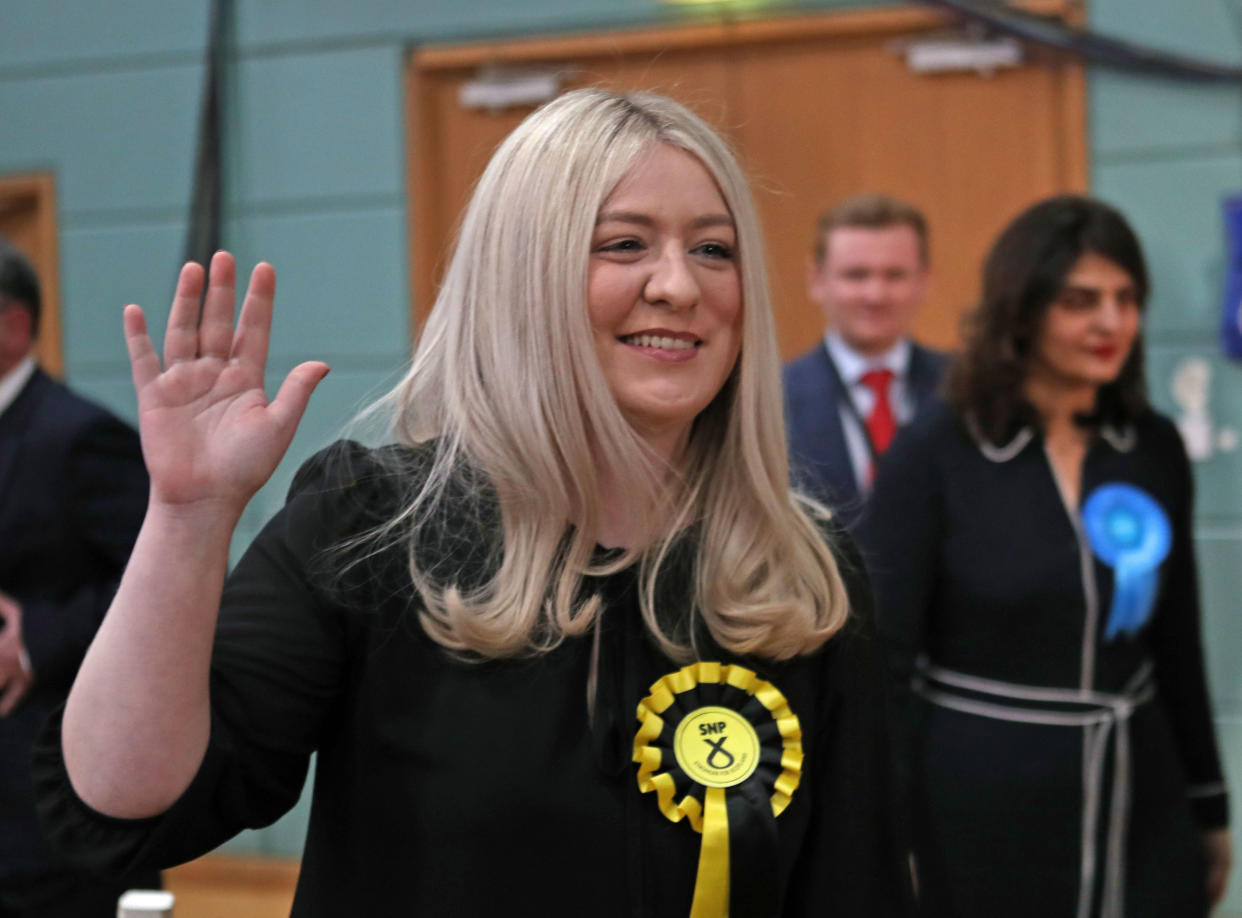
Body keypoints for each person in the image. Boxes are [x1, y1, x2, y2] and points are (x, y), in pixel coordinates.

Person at [33, 89, 911, 916]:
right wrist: (187, 516)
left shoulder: (798, 572)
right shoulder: (375, 523)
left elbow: (854, 887)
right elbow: (127, 802)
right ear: (521, 276)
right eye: (624, 244)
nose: (680, 286)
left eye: (713, 249)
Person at [860, 195, 1231, 917]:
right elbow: (884, 659)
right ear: (1021, 311)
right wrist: (884, 830)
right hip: (981, 800)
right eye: (1080, 300)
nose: (1110, 322)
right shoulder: (936, 452)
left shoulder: (1150, 446)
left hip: (1140, 794)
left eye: (1126, 300)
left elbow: (1177, 643)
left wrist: (1209, 805)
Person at [0, 239, 155, 916]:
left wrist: (33, 636)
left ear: (14, 324)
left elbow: (159, 588)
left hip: (47, 791)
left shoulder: (82, 435)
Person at [783, 194, 949, 522]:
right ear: (817, 280)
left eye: (894, 275)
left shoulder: (967, 390)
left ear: (924, 282)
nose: (875, 295)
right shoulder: (771, 399)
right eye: (856, 275)